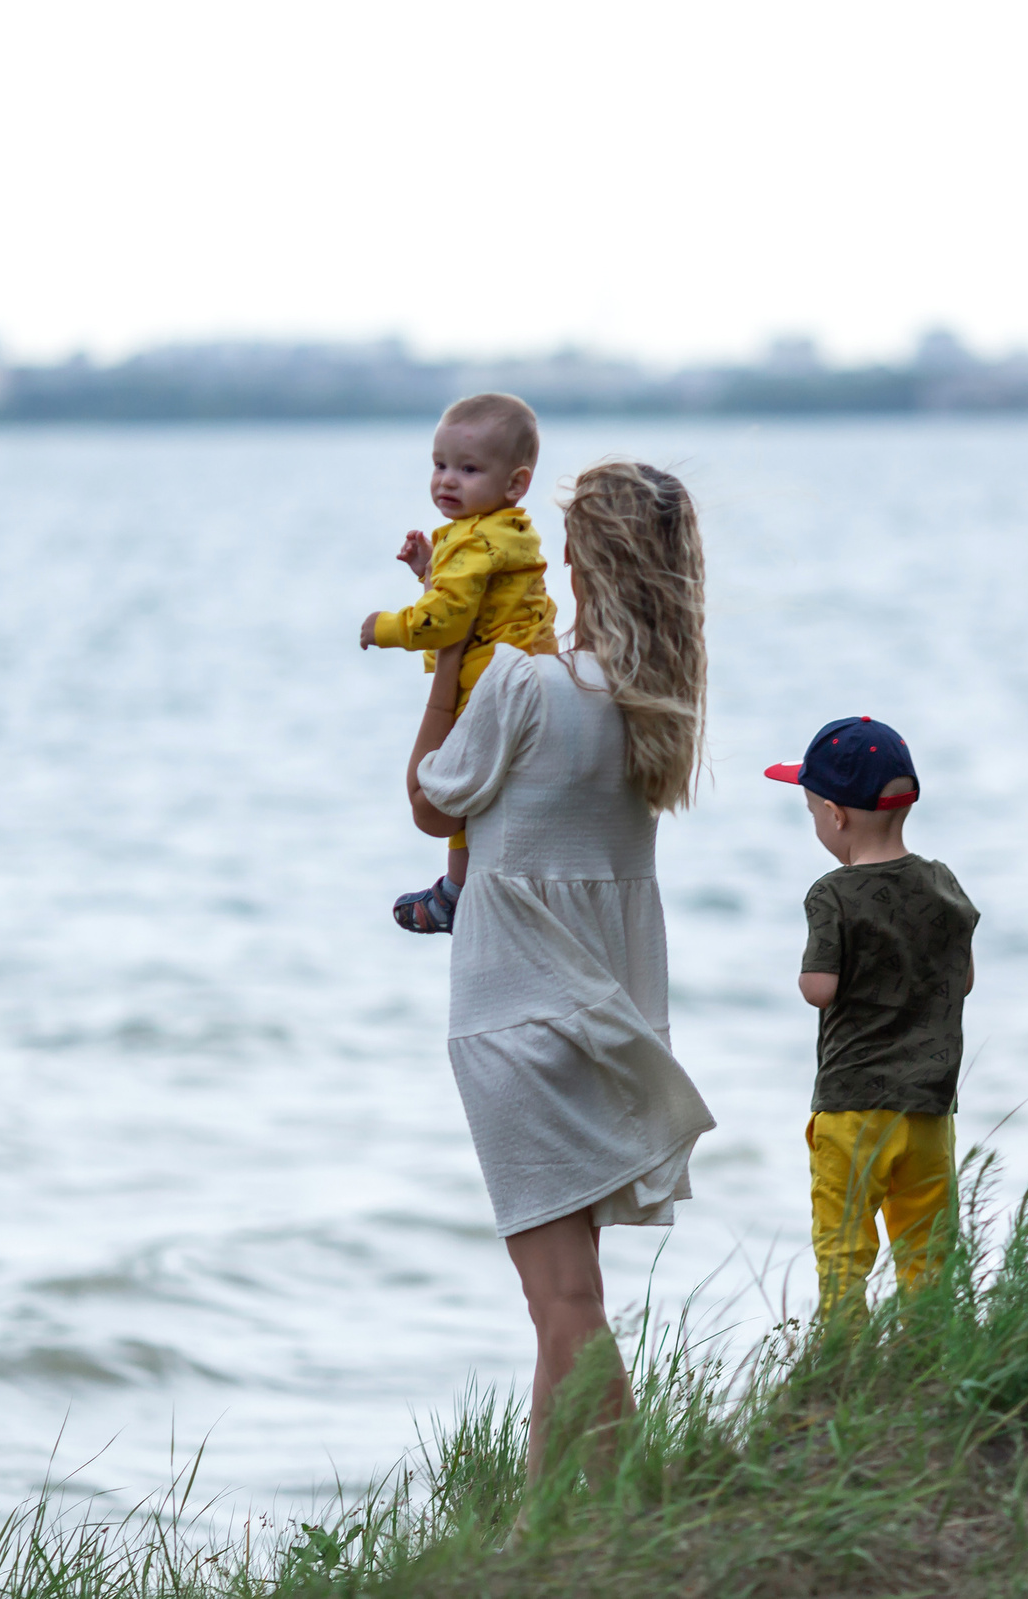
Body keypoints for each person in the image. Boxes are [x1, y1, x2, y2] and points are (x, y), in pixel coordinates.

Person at [406, 457, 716, 1475]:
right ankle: (558, 1526)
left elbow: (431, 799)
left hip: (512, 1013)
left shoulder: (525, 684)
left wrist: (448, 655)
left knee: (562, 1303)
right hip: (607, 1010)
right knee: (566, 1301)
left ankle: (614, 1519)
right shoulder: (658, 706)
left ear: (581, 560)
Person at [765, 716, 978, 1317]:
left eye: (811, 813)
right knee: (928, 1252)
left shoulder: (831, 894)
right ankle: (933, 1353)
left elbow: (819, 989)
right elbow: (962, 980)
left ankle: (842, 1358)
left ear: (836, 815)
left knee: (843, 1252)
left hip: (853, 1107)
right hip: (930, 1113)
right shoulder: (944, 884)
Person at [361, 392, 560, 935]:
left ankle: (455, 888)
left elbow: (448, 622)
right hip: (525, 671)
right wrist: (429, 572)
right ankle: (459, 883)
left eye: (469, 469)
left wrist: (384, 626)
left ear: (515, 484)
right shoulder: (502, 533)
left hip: (486, 685)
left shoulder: (479, 543)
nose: (447, 480)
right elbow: (472, 603)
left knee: (454, 785)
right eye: (440, 465)